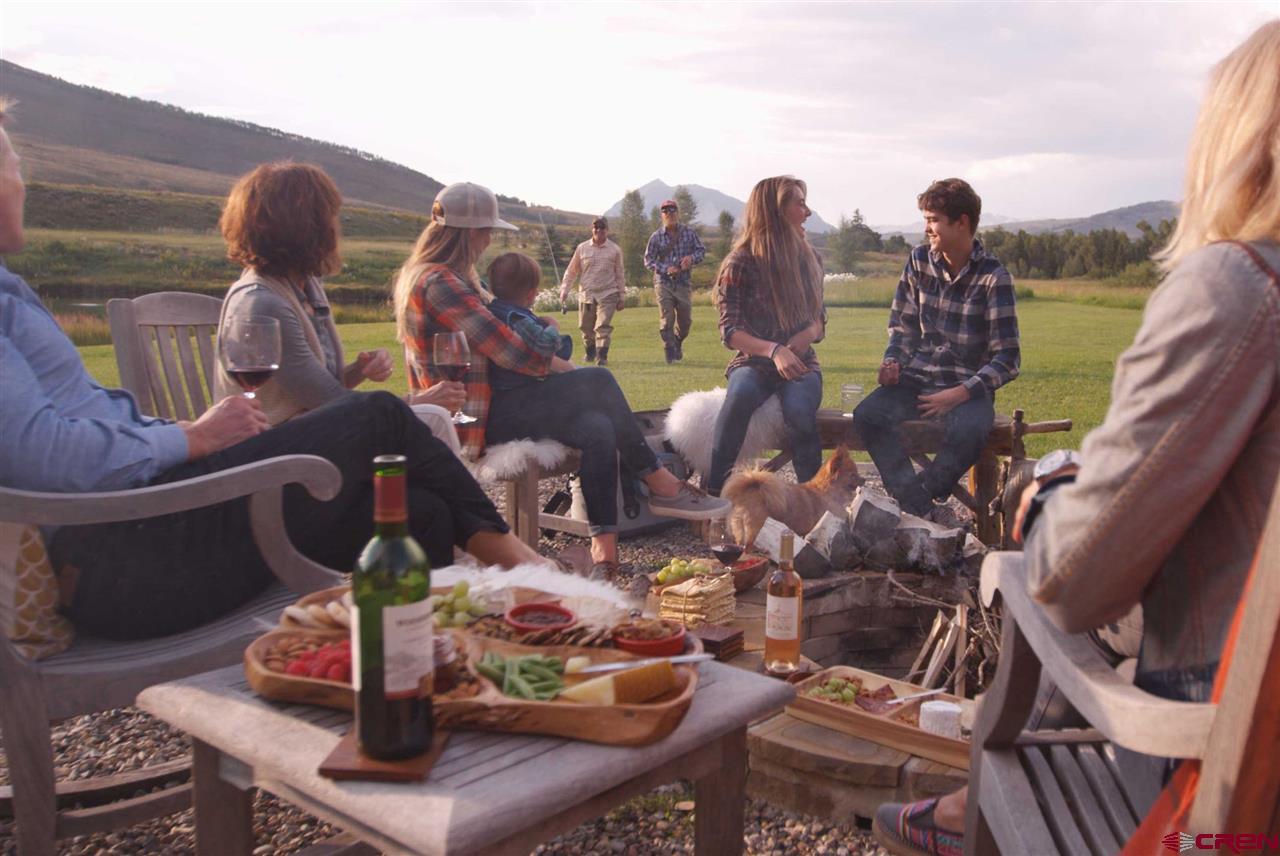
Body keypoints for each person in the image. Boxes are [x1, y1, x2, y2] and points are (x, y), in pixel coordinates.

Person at [873, 21, 1280, 855]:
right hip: (1246, 698)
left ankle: (969, 812)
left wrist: (1051, 487)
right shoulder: (917, 268)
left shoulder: (1239, 288)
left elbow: (1073, 582)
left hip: (1224, 776)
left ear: (1239, 144)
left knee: (1030, 572)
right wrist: (897, 364)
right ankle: (920, 509)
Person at [0, 105, 544, 640]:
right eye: (13, 165)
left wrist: (180, 435)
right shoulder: (260, 301)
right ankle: (524, 570)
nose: (22, 181)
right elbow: (40, 454)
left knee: (423, 512)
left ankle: (421, 649)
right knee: (382, 416)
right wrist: (189, 439)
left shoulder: (11, 292)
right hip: (122, 553)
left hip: (146, 517)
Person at [392, 182, 728, 570]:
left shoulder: (454, 278)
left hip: (492, 409)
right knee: (597, 381)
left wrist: (537, 332)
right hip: (471, 421)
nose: (488, 241)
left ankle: (604, 557)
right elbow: (511, 350)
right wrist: (557, 356)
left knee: (597, 426)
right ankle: (659, 481)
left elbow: (507, 330)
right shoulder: (440, 283)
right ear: (469, 233)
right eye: (486, 232)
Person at [215, 162, 464, 451]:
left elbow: (312, 388)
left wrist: (359, 369)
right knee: (431, 418)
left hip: (311, 430)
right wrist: (415, 401)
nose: (336, 227)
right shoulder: (263, 303)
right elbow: (330, 401)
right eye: (330, 216)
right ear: (306, 228)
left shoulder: (305, 285)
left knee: (426, 428)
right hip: (275, 447)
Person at [852, 178, 1020, 520]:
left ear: (962, 223)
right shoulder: (918, 261)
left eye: (933, 220)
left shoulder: (994, 277)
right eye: (926, 219)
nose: (927, 228)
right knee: (867, 415)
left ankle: (913, 501)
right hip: (917, 379)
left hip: (966, 387)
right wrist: (892, 361)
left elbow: (1008, 358)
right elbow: (903, 327)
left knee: (970, 431)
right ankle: (919, 508)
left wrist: (958, 394)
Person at [705, 176, 826, 496]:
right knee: (740, 396)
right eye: (800, 204)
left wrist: (809, 332)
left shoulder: (811, 259)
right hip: (753, 363)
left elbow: (820, 320)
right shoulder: (740, 261)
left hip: (801, 365)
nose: (807, 212)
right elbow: (730, 331)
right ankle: (715, 495)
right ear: (775, 211)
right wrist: (774, 350)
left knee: (800, 412)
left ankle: (815, 503)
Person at [486, 252, 573, 391]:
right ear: (531, 294)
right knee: (598, 376)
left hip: (510, 387)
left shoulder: (494, 310)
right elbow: (545, 344)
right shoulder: (517, 318)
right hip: (521, 388)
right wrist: (553, 325)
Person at [644, 198, 706, 364]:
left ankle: (677, 341)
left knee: (685, 322)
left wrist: (691, 259)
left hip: (683, 282)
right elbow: (648, 260)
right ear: (661, 215)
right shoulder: (656, 237)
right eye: (665, 211)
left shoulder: (689, 233)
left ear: (678, 213)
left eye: (672, 210)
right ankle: (669, 352)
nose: (669, 213)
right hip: (663, 282)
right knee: (667, 318)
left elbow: (701, 251)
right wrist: (666, 268)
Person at [559, 216, 625, 366]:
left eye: (602, 227)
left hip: (608, 293)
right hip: (587, 294)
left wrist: (621, 296)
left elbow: (620, 274)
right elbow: (572, 271)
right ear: (592, 229)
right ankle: (590, 353)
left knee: (602, 326)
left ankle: (602, 357)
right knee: (585, 327)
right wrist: (564, 290)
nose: (599, 230)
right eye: (596, 227)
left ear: (607, 230)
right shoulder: (582, 248)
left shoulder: (615, 250)